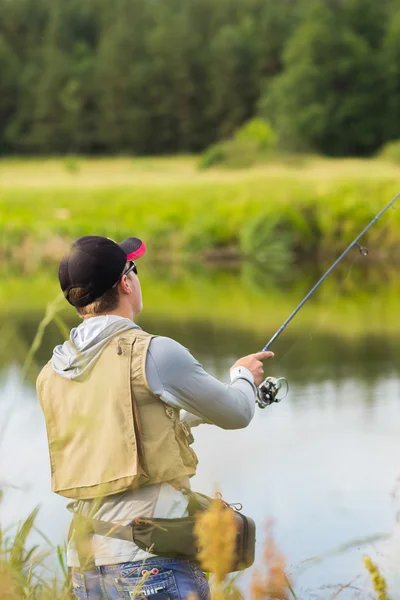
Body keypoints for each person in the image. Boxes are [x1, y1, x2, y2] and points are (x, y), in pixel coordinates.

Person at [36, 235, 274, 600]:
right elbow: (238, 412)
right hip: (150, 562)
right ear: (126, 283)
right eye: (135, 269)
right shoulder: (154, 352)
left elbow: (123, 435)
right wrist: (243, 377)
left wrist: (187, 415)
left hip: (85, 566)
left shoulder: (51, 373)